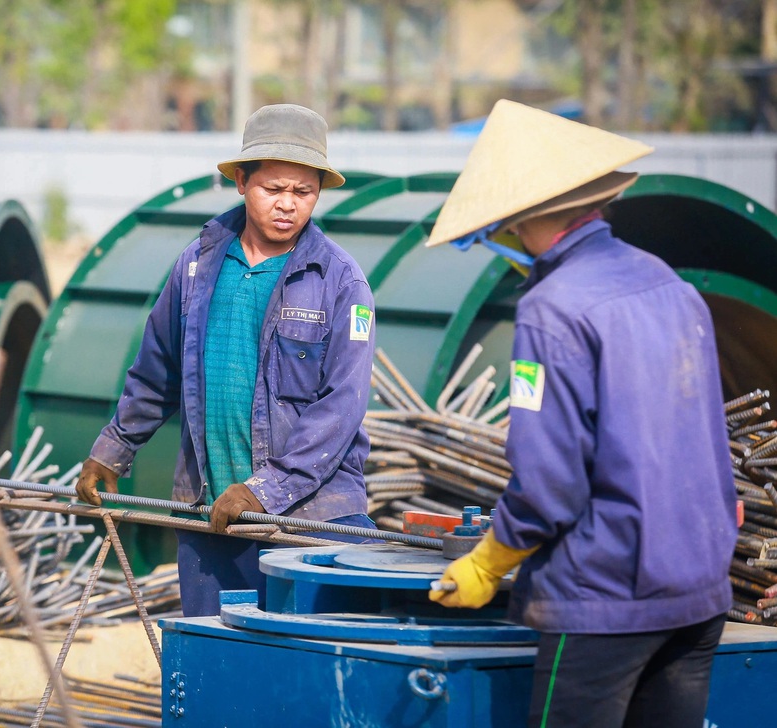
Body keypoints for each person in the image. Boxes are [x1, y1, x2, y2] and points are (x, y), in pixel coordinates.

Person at [425, 100, 737, 727]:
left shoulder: (552, 308)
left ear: (518, 219)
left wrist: (490, 558)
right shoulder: (667, 283)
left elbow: (549, 482)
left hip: (606, 601)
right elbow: (706, 436)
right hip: (699, 592)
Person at [75, 104, 378, 617]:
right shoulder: (196, 265)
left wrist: (265, 490)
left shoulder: (342, 283)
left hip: (307, 525)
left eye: (303, 193)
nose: (288, 205)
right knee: (218, 671)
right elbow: (158, 368)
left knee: (301, 673)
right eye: (273, 189)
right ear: (241, 181)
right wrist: (114, 447)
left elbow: (341, 407)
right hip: (212, 514)